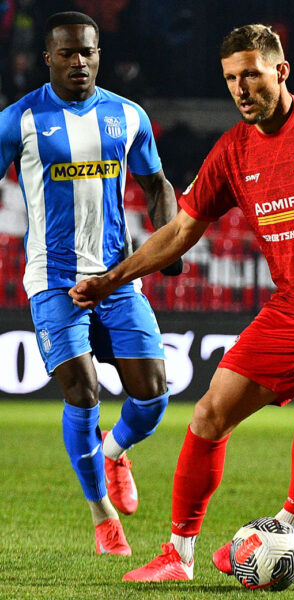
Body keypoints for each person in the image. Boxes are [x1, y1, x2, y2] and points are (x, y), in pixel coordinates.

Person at [69, 23, 294, 581]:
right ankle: (178, 556)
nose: (241, 89)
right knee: (208, 414)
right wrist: (110, 280)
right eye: (230, 79)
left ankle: (286, 526)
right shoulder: (231, 153)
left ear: (281, 71)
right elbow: (180, 233)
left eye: (251, 74)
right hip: (291, 308)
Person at [0, 11, 183, 556]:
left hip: (116, 277)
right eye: (68, 53)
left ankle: (114, 451)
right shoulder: (18, 120)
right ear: (48, 58)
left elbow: (157, 184)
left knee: (153, 395)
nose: (79, 61)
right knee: (83, 391)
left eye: (88, 52)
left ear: (99, 54)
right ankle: (103, 514)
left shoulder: (127, 115)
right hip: (53, 280)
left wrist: (169, 240)